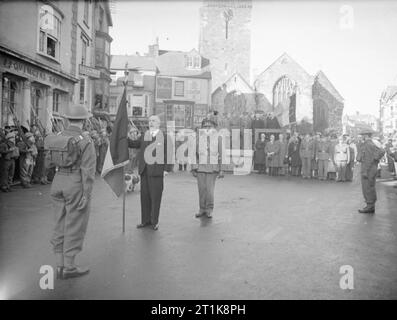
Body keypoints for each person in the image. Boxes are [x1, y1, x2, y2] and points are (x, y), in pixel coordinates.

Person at [46, 105, 96, 279]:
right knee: (75, 224)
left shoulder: (57, 137)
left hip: (58, 180)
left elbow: (47, 163)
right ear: (84, 120)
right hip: (75, 183)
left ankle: (59, 266)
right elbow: (88, 171)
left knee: (59, 222)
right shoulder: (85, 141)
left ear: (67, 119)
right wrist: (86, 194)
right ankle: (69, 267)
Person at [127, 115, 173, 230]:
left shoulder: (164, 137)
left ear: (159, 123)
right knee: (145, 197)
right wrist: (124, 138)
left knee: (155, 197)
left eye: (153, 121)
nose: (151, 123)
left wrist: (166, 169)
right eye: (150, 121)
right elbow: (134, 144)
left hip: (157, 171)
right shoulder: (144, 136)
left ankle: (154, 221)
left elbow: (169, 153)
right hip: (144, 170)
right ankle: (145, 220)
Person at [191, 119, 224, 218]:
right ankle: (202, 209)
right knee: (201, 190)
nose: (207, 128)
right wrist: (194, 167)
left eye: (209, 126)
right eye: (205, 126)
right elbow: (193, 153)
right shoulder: (198, 138)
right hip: (200, 168)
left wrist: (221, 169)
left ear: (213, 128)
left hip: (212, 168)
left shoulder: (218, 138)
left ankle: (209, 209)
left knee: (209, 191)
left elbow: (222, 154)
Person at [356, 129, 385, 214]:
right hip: (372, 168)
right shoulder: (371, 144)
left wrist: (365, 171)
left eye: (362, 135)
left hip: (368, 168)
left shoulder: (368, 145)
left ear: (366, 136)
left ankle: (370, 206)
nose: (362, 137)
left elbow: (368, 159)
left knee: (367, 188)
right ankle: (370, 205)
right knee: (370, 187)